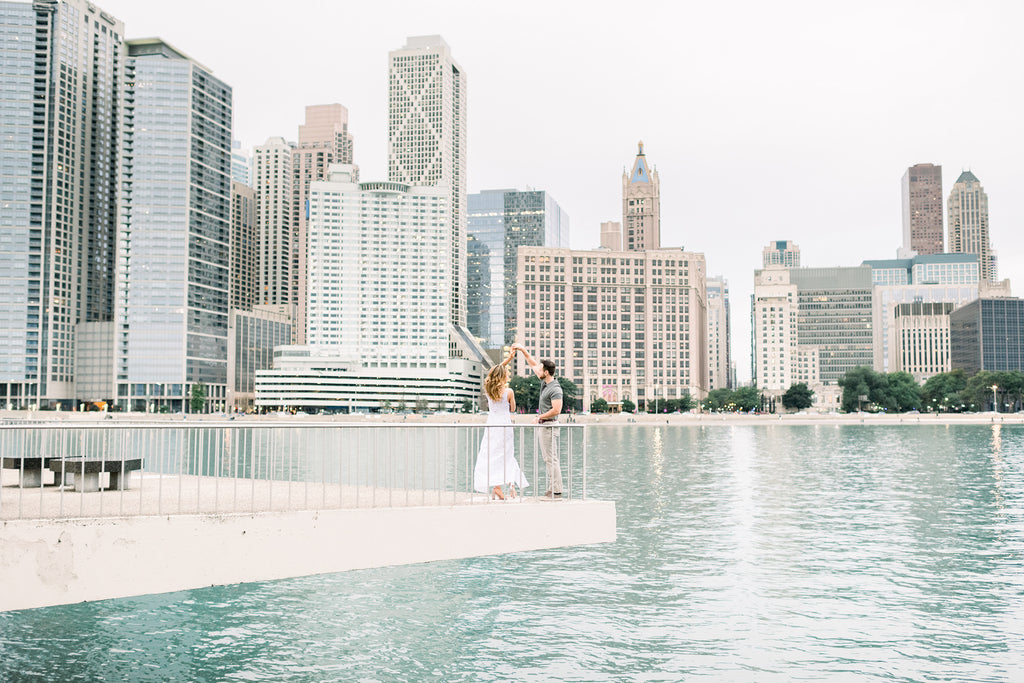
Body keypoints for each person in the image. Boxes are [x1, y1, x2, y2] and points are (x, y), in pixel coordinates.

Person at [473, 351, 528, 500]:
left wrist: (507, 360)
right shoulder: (509, 391)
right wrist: (509, 360)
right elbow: (513, 409)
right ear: (504, 376)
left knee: (492, 455)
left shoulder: (488, 389)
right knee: (506, 455)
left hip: (492, 425)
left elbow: (492, 374)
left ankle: (497, 487)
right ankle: (510, 486)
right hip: (504, 425)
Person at [512, 343, 563, 499]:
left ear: (546, 372)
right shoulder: (545, 382)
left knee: (551, 459)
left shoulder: (555, 388)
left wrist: (539, 417)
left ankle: (556, 490)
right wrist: (522, 350)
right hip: (545, 426)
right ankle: (552, 489)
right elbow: (532, 363)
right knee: (548, 459)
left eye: (540, 369)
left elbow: (557, 410)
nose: (537, 370)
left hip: (549, 426)